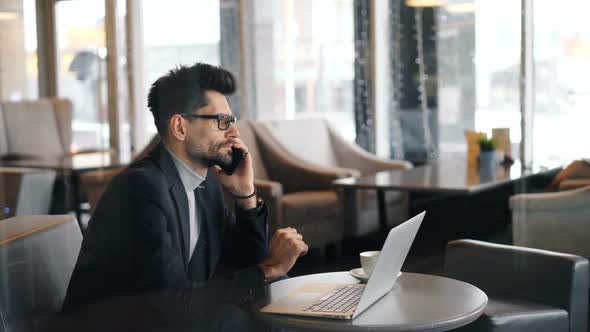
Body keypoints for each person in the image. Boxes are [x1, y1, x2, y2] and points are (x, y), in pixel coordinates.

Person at [63, 63, 308, 311]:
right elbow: (173, 302)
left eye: (232, 120)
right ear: (180, 127)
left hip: (174, 316)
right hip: (124, 324)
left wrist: (245, 195)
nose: (234, 132)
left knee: (276, 291)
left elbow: (247, 262)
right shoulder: (141, 189)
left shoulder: (205, 182)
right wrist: (269, 269)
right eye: (222, 121)